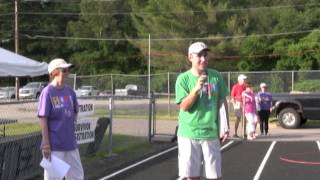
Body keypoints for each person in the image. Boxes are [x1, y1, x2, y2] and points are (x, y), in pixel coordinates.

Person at [175, 42, 229, 180]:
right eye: (199, 56)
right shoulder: (183, 79)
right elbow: (184, 106)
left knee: (214, 176)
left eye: (205, 55)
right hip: (189, 134)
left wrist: (225, 126)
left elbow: (222, 103)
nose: (203, 59)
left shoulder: (216, 76)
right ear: (190, 57)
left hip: (211, 134)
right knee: (192, 177)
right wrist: (196, 89)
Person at [38, 58, 84, 180]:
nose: (67, 72)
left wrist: (69, 126)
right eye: (64, 70)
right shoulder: (47, 92)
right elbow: (43, 119)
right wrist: (46, 144)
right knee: (53, 178)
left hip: (70, 143)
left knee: (77, 176)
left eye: (68, 70)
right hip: (54, 146)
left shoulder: (69, 91)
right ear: (55, 72)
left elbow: (75, 111)